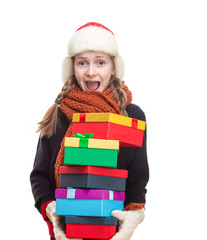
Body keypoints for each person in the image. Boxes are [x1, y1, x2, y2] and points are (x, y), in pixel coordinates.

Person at [30, 22, 149, 240]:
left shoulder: (131, 116)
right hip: (66, 235)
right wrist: (51, 208)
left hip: (112, 232)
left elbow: (138, 176)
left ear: (113, 68)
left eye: (100, 62)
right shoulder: (57, 114)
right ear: (72, 67)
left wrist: (132, 217)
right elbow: (39, 176)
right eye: (82, 63)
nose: (91, 72)